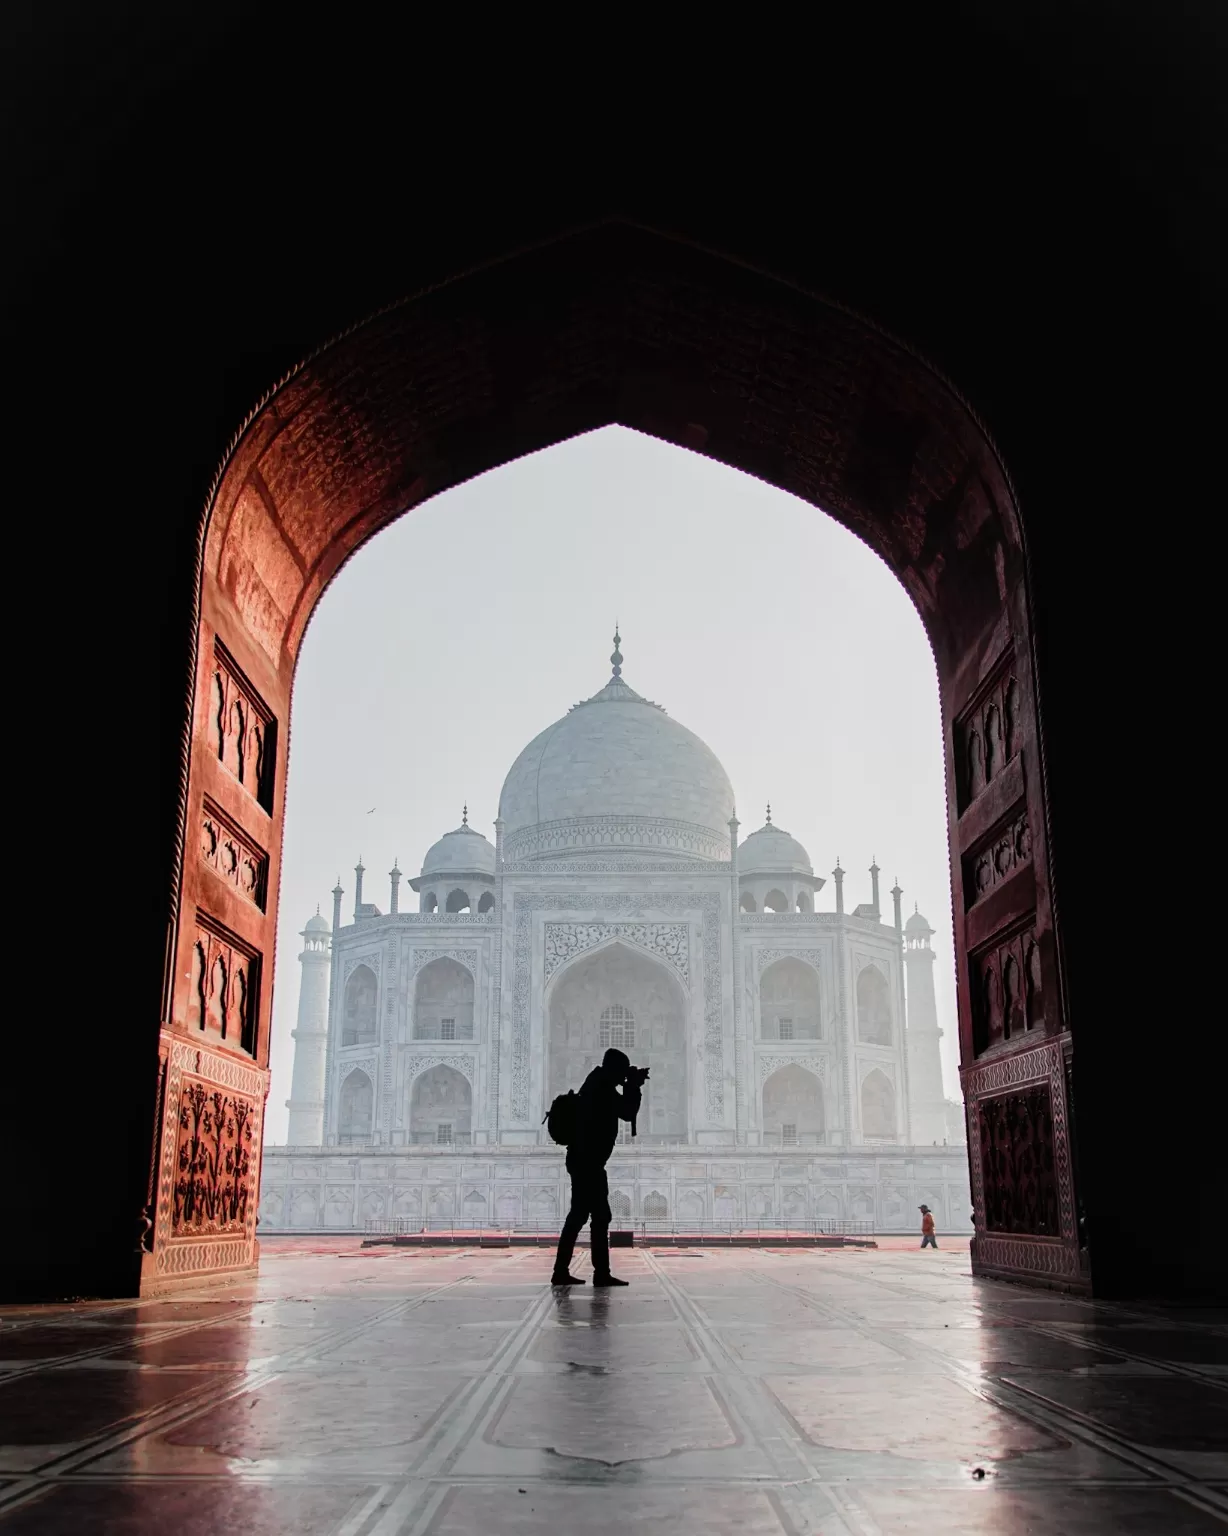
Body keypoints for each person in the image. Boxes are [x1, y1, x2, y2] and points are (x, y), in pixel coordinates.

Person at [551, 1047, 645, 1287]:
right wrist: (633, 1087)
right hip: (588, 1162)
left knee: (582, 1216)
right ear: (613, 1069)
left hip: (584, 1160)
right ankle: (596, 1273)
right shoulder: (602, 1088)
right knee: (597, 1216)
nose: (623, 1077)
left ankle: (567, 1271)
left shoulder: (597, 1083)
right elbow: (627, 1111)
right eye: (622, 1072)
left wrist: (630, 1086)